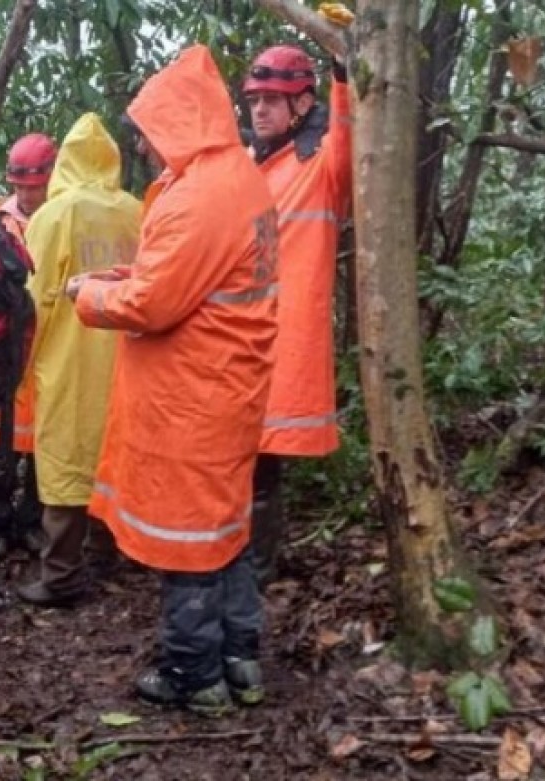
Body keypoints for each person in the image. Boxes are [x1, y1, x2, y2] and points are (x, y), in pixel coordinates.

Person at [66, 45, 279, 716]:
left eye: (151, 130)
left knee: (189, 541)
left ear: (182, 122)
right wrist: (120, 278)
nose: (145, 144)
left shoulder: (201, 195)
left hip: (194, 397)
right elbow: (188, 277)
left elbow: (153, 304)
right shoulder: (237, 177)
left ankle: (194, 674)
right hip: (226, 389)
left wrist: (87, 294)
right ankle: (241, 660)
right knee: (227, 532)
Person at [13, 114, 139, 607]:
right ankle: (107, 553)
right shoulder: (137, 211)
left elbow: (34, 301)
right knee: (112, 452)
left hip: (69, 359)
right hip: (128, 360)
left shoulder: (54, 216)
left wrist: (19, 367)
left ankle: (62, 573)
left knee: (65, 460)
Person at [243, 41, 353, 585]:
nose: (259, 109)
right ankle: (232, 561)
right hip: (238, 337)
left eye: (272, 99)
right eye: (254, 100)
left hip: (285, 339)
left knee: (263, 463)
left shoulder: (321, 163)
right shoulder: (249, 164)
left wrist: (343, 71)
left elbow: (350, 138)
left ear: (304, 104)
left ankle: (255, 570)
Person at [0, 131, 58, 566]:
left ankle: (32, 521)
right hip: (5, 349)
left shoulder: (63, 216)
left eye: (34, 187)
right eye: (20, 186)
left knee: (46, 441)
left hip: (51, 345)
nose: (26, 195)